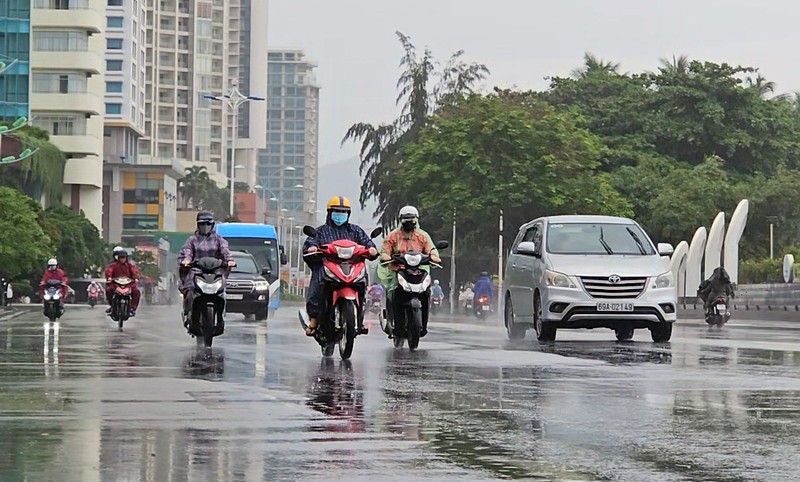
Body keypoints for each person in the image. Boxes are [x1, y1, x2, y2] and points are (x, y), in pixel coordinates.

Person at [303, 196, 378, 336]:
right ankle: (314, 319)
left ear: (348, 214)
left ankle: (359, 317)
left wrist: (372, 249)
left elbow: (367, 243)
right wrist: (312, 248)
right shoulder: (320, 231)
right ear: (330, 213)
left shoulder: (355, 231)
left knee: (362, 284)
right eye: (337, 211)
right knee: (318, 283)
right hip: (329, 267)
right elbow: (311, 242)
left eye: (343, 212)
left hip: (351, 267)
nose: (340, 215)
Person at [378, 205, 441, 337]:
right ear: (400, 220)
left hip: (420, 271)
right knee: (395, 294)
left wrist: (435, 257)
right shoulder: (393, 236)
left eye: (411, 219)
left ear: (416, 220)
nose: (409, 222)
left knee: (426, 293)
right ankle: (395, 324)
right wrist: (386, 257)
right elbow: (385, 251)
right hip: (398, 271)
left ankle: (423, 325)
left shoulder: (423, 236)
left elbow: (432, 249)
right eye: (406, 219)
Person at [178, 211, 235, 321]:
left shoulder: (218, 239)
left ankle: (221, 316)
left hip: (215, 273)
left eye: (208, 224)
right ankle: (188, 313)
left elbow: (225, 251)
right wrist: (187, 260)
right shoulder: (192, 240)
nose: (205, 226)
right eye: (202, 224)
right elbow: (187, 251)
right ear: (198, 225)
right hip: (197, 271)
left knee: (222, 293)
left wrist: (230, 260)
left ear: (212, 225)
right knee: (190, 291)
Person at [105, 250, 141, 316]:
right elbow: (109, 271)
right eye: (121, 257)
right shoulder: (113, 265)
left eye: (124, 258)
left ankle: (132, 308)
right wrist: (109, 277)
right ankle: (112, 306)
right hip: (116, 284)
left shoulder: (130, 266)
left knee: (136, 291)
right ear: (118, 258)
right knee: (109, 290)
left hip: (128, 284)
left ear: (126, 258)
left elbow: (135, 271)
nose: (122, 259)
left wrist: (136, 278)